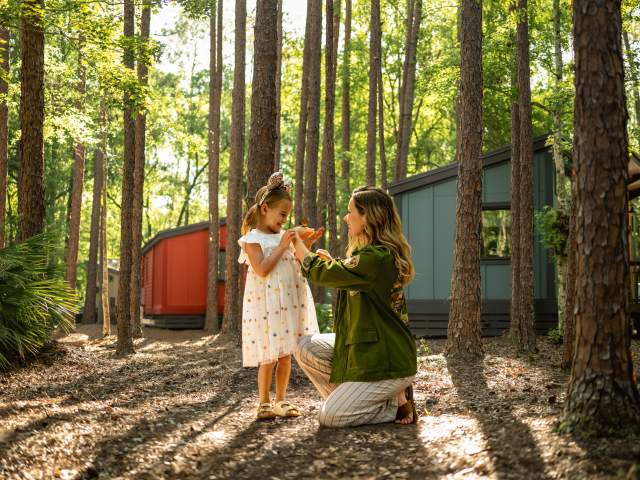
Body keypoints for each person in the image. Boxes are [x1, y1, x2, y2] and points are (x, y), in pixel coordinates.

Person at [291, 186, 418, 427]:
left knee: (329, 417)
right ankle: (362, 400)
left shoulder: (378, 258)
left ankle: (392, 406)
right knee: (305, 347)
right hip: (368, 353)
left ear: (367, 216)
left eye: (350, 212)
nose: (345, 218)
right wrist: (335, 266)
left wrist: (295, 241)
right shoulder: (371, 256)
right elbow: (348, 274)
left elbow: (324, 273)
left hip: (387, 362)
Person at [238, 172, 322, 420]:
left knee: (285, 355)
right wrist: (283, 245)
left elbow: (297, 260)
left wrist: (307, 245)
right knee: (268, 357)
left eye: (287, 215)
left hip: (287, 306)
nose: (285, 220)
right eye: (282, 214)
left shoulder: (284, 237)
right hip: (266, 308)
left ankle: (281, 400)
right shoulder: (252, 239)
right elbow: (262, 269)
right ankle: (263, 402)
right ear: (265, 209)